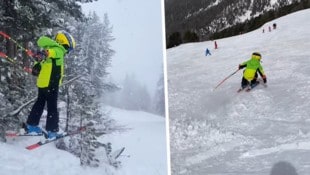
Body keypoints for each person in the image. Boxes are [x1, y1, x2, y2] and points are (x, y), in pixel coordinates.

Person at [25, 31, 76, 139]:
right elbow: (52, 52)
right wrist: (46, 53)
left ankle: (31, 125)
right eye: (68, 48)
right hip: (52, 84)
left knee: (40, 103)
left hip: (43, 84)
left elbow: (40, 64)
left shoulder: (49, 48)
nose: (67, 51)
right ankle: (52, 131)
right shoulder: (59, 50)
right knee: (52, 107)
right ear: (63, 43)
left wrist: (37, 65)